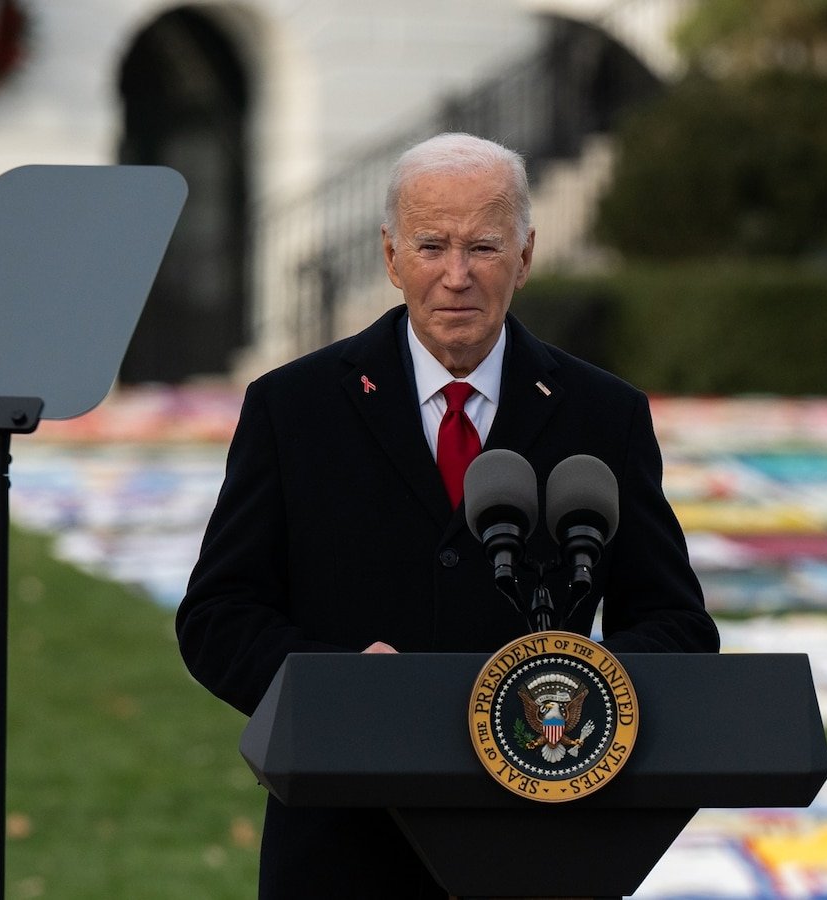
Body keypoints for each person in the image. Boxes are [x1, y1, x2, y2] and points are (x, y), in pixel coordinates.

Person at [175, 132, 718, 898]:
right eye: (432, 245)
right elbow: (218, 615)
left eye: (483, 247)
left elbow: (677, 625)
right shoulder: (293, 409)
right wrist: (336, 686)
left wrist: (581, 695)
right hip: (343, 842)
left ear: (525, 257)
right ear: (391, 256)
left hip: (545, 839)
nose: (456, 277)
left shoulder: (606, 416)